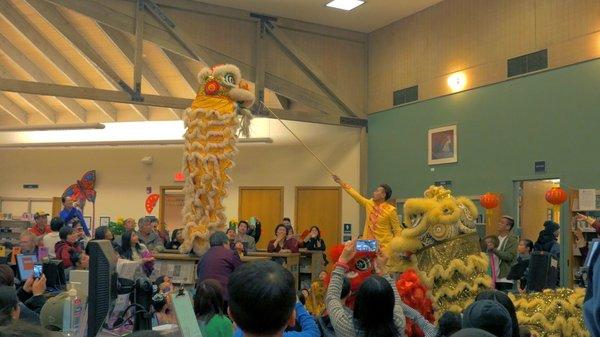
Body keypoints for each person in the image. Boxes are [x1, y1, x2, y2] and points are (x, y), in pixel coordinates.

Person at [325, 238, 406, 337]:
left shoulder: (345, 325)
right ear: (390, 301)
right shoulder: (398, 323)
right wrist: (383, 270)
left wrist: (342, 260)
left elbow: (332, 297)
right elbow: (397, 301)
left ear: (359, 300)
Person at [228, 260, 319, 337]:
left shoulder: (238, 334)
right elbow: (313, 330)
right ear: (292, 318)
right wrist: (298, 305)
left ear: (230, 313)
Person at [332, 175, 401, 250]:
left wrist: (397, 248)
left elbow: (397, 230)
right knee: (350, 251)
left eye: (377, 191)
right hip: (367, 244)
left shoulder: (391, 210)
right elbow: (355, 195)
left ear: (383, 195)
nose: (374, 192)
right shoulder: (369, 203)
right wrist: (340, 182)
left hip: (384, 246)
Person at [196, 232, 242, 306]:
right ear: (226, 243)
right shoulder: (231, 254)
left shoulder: (203, 256)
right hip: (223, 299)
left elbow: (198, 274)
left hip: (203, 299)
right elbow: (241, 274)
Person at [487, 215, 519, 292]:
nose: (498, 224)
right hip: (493, 277)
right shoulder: (495, 239)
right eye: (499, 222)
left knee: (502, 300)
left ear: (508, 227)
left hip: (505, 278)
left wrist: (494, 250)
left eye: (501, 223)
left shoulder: (512, 240)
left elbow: (509, 256)